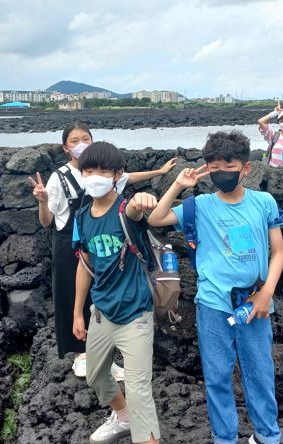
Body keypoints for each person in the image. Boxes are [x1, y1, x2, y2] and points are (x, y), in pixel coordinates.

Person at [148, 131, 283, 444]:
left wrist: (266, 293)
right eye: (214, 167)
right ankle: (225, 439)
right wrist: (178, 185)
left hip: (254, 302)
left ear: (246, 168)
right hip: (212, 304)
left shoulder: (264, 202)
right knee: (217, 375)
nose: (221, 172)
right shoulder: (199, 206)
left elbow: (278, 251)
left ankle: (267, 436)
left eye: (229, 166)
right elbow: (156, 218)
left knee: (260, 371)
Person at [28, 121, 176, 380]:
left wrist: (160, 171)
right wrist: (42, 201)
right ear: (65, 148)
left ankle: (102, 355)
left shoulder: (103, 172)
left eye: (85, 138)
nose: (81, 144)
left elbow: (129, 177)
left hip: (101, 240)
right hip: (68, 240)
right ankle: (79, 354)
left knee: (98, 296)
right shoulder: (59, 177)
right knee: (71, 295)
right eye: (74, 141)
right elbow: (47, 221)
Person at [71, 142, 161, 444]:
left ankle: (146, 441)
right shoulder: (82, 216)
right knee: (95, 376)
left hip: (135, 313)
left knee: (138, 390)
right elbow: (85, 265)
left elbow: (136, 208)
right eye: (88, 171)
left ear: (117, 175)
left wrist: (142, 199)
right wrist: (77, 312)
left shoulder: (125, 210)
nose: (94, 177)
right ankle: (122, 417)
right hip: (101, 312)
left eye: (102, 171)